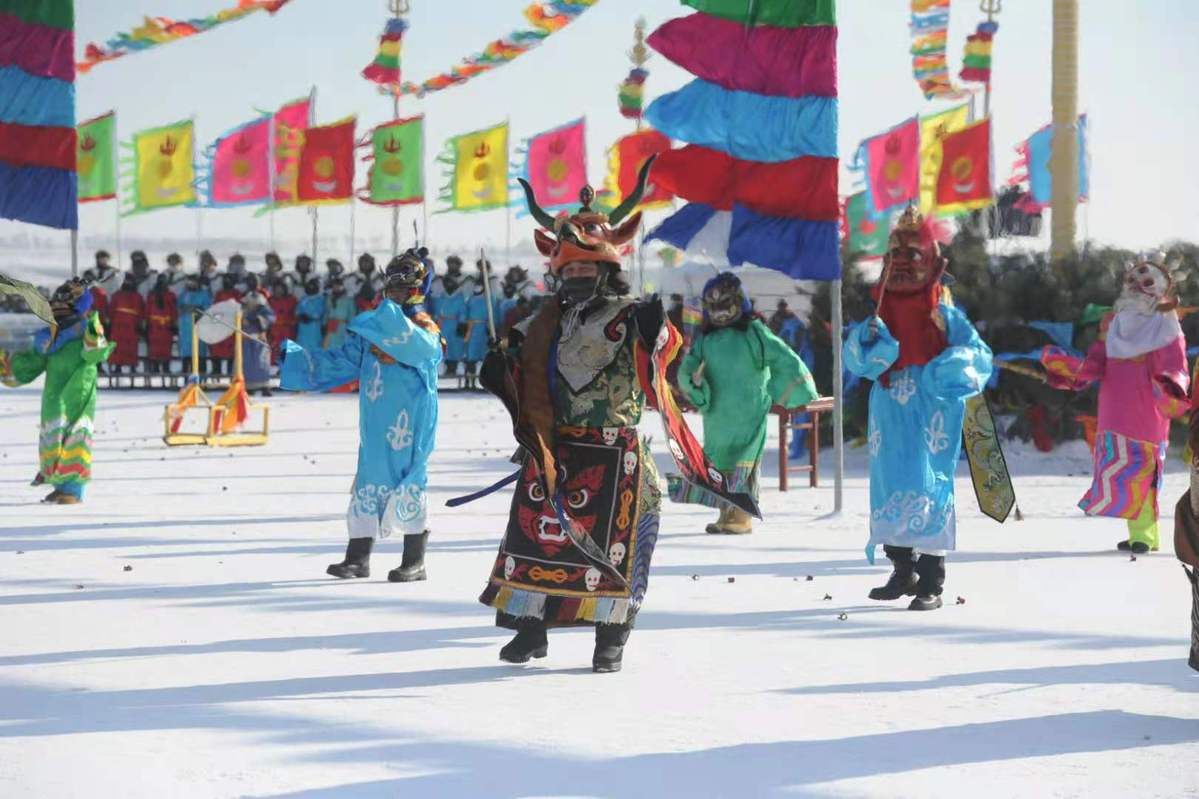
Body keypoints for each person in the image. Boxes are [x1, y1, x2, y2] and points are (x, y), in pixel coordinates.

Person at [477, 172, 668, 673]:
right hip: (553, 450)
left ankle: (610, 639)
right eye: (572, 267)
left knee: (611, 554)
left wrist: (659, 333)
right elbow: (517, 376)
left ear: (607, 270)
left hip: (614, 453)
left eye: (589, 265)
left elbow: (666, 362)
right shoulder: (541, 322)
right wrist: (499, 368)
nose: (579, 273)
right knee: (536, 539)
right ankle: (532, 629)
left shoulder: (632, 316)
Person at [843, 207, 993, 611]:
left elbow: (978, 357)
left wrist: (943, 368)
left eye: (914, 253)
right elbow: (859, 363)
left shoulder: (944, 312)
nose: (904, 262)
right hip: (889, 407)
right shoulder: (880, 309)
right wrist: (868, 341)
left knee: (930, 483)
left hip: (932, 407)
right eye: (896, 253)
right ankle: (901, 569)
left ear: (933, 261)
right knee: (889, 483)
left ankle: (931, 581)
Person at [280, 247, 442, 582]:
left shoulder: (424, 329)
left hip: (409, 423)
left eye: (402, 287)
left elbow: (418, 349)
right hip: (376, 421)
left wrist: (383, 317)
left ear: (417, 290)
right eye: (391, 286)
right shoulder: (373, 330)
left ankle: (415, 560)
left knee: (409, 481)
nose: (394, 293)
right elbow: (340, 361)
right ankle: (357, 558)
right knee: (368, 481)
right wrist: (295, 359)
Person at [1044, 251, 1190, 554]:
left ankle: (1145, 536)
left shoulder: (1166, 325)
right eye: (1133, 279)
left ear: (1162, 286)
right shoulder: (1115, 323)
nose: (1138, 285)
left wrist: (1169, 385)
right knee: (1122, 475)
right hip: (1114, 411)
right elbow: (1096, 364)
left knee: (1144, 474)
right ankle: (1139, 533)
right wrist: (1068, 369)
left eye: (1147, 280)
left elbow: (1175, 365)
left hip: (1146, 411)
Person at [673, 272, 817, 534]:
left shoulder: (755, 332)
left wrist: (795, 392)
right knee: (718, 461)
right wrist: (688, 381)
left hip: (749, 411)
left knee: (744, 460)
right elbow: (689, 365)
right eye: (713, 306)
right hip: (717, 414)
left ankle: (742, 515)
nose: (719, 311)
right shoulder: (707, 339)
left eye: (724, 303)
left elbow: (784, 358)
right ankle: (725, 511)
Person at [0, 279, 114, 504]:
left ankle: (73, 488)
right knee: (53, 436)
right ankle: (59, 484)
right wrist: (7, 364)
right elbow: (30, 365)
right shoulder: (49, 335)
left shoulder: (86, 327)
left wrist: (90, 324)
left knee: (76, 436)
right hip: (54, 395)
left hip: (77, 391)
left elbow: (96, 353)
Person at [461, 270, 496, 390]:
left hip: (484, 330)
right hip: (472, 329)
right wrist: (463, 324)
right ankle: (468, 382)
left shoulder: (489, 299)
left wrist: (492, 327)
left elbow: (493, 314)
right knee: (470, 357)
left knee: (485, 356)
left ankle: (487, 382)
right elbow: (465, 311)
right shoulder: (470, 298)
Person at [240, 290, 276, 396]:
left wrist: (258, 320)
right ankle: (249, 387)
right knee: (247, 363)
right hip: (246, 339)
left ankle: (264, 386)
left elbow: (270, 318)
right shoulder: (243, 308)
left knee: (262, 363)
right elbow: (237, 319)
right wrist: (242, 319)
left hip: (260, 339)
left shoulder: (263, 308)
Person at [107, 274, 145, 373]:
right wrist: (110, 323)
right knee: (118, 347)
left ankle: (132, 366)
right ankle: (117, 366)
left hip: (132, 326)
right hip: (118, 326)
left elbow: (142, 312)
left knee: (131, 347)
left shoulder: (138, 297)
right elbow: (111, 311)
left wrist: (140, 325)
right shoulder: (116, 295)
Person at [434, 270, 467, 378]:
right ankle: (447, 366)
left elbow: (463, 311)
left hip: (454, 324)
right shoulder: (441, 297)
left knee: (455, 346)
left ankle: (453, 367)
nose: (448, 285)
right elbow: (437, 310)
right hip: (443, 325)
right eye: (446, 283)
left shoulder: (460, 297)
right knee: (444, 346)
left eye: (451, 283)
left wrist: (461, 323)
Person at [177, 274, 213, 373]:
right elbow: (178, 307)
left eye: (193, 281)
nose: (191, 284)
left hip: (199, 328)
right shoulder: (184, 294)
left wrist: (196, 310)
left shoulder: (204, 294)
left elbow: (208, 310)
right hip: (185, 329)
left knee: (199, 354)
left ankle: (201, 380)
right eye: (189, 281)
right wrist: (184, 309)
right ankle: (185, 379)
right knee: (186, 354)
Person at [209, 274, 243, 376]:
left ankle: (231, 372)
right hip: (220, 325)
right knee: (216, 349)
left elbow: (240, 308)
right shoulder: (219, 294)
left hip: (232, 325)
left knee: (232, 351)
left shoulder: (237, 294)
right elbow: (215, 308)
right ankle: (216, 371)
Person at [144, 274, 178, 374]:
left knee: (166, 348)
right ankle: (155, 367)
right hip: (154, 325)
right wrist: (146, 324)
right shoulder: (151, 295)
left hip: (166, 326)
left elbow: (174, 310)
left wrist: (174, 323)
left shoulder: (171, 295)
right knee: (154, 348)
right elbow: (147, 310)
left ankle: (165, 367)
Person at [267, 279, 298, 364]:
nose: (279, 291)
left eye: (281, 289)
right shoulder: (270, 300)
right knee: (274, 351)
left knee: (287, 351)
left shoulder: (291, 300)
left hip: (287, 331)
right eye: (277, 289)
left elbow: (295, 315)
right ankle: (274, 368)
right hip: (274, 331)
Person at [323, 277, 355, 350]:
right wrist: (324, 324)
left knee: (341, 345)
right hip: (331, 324)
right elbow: (326, 312)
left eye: (338, 286)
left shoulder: (348, 300)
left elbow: (352, 315)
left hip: (342, 326)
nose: (336, 288)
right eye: (334, 286)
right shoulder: (329, 298)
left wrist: (351, 328)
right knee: (329, 345)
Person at [295, 277, 326, 352]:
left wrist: (311, 317)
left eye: (313, 286)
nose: (311, 288)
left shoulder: (321, 299)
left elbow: (320, 312)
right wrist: (301, 316)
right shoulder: (304, 298)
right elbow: (297, 310)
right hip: (303, 327)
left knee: (314, 348)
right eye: (309, 286)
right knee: (302, 347)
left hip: (314, 327)